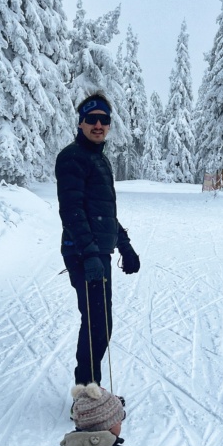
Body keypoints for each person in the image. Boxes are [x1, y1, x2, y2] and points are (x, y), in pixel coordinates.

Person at [55, 92, 140, 388]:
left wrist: (124, 245)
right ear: (81, 123)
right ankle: (87, 397)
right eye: (92, 119)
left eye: (104, 120)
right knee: (96, 325)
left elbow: (103, 213)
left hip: (97, 253)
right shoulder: (72, 158)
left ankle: (91, 391)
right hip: (82, 252)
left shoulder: (99, 160)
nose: (99, 125)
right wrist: (90, 253)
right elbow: (72, 210)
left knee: (100, 325)